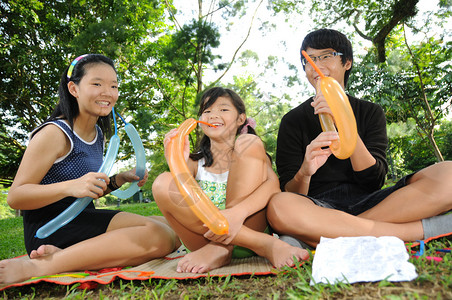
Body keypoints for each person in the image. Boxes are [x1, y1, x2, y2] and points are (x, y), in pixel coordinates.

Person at [0, 54, 179, 284]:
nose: (108, 92)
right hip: (50, 227)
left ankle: (64, 257)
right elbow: (16, 197)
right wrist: (71, 187)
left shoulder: (98, 134)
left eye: (113, 86)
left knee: (170, 228)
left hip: (82, 217)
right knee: (160, 236)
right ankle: (36, 266)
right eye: (97, 84)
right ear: (74, 89)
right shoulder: (55, 134)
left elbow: (85, 193)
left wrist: (118, 180)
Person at [267, 28, 452, 248]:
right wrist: (305, 171)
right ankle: (415, 231)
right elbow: (292, 193)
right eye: (310, 59)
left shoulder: (370, 111)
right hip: (318, 207)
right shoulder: (293, 120)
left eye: (326, 56)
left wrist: (344, 121)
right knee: (279, 205)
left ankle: (317, 237)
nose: (317, 64)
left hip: (374, 204)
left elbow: (374, 181)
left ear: (347, 63)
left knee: (447, 174)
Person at [152, 87, 309, 273]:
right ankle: (254, 245)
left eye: (223, 110)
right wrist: (177, 160)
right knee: (163, 182)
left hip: (248, 229)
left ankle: (235, 245)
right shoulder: (195, 162)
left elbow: (273, 187)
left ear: (241, 119)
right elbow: (181, 199)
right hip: (205, 242)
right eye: (207, 111)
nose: (213, 115)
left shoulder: (251, 151)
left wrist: (237, 213)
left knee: (248, 142)